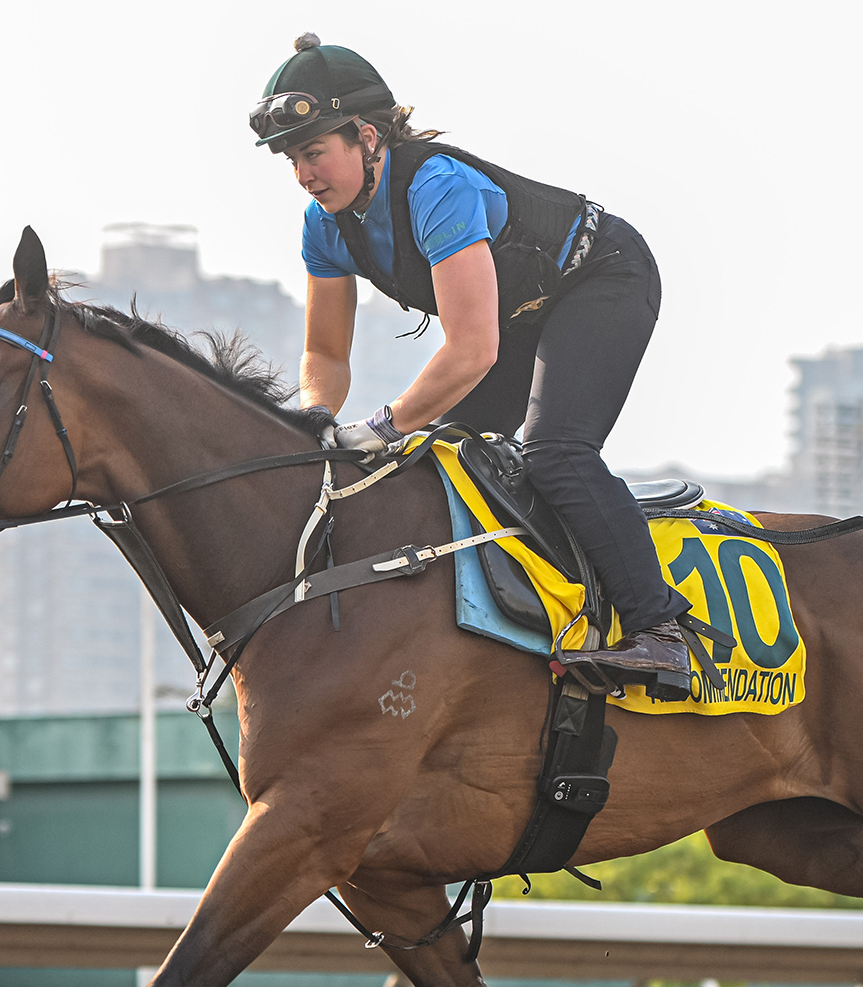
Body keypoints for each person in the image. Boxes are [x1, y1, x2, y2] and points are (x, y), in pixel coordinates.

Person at [250, 33, 690, 684]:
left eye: (313, 152)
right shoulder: (324, 224)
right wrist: (314, 422)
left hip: (602, 276)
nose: (303, 175)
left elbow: (473, 349)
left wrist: (380, 426)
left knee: (555, 450)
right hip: (524, 315)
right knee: (439, 459)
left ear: (368, 138)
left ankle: (661, 631)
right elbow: (324, 353)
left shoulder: (437, 187)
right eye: (291, 160)